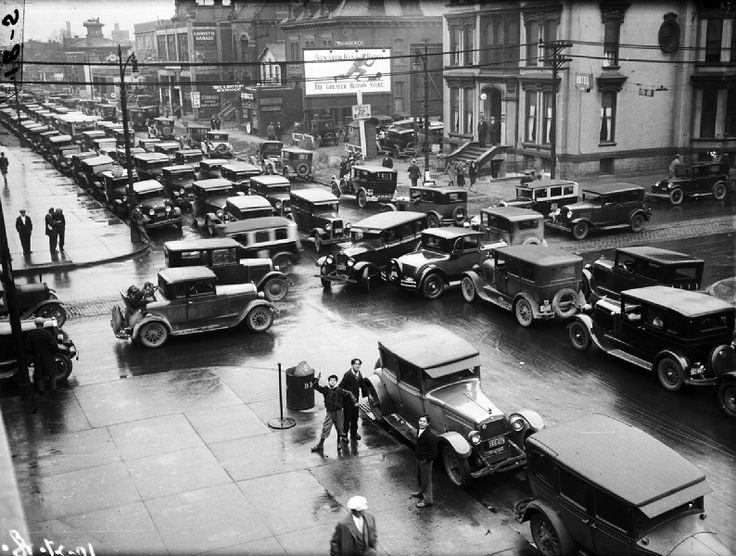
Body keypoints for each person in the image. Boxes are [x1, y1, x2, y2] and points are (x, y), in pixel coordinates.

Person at [311, 373, 356, 453]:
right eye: (331, 380)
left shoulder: (339, 390)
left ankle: (339, 442)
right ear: (328, 382)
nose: (332, 382)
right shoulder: (325, 389)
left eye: (334, 380)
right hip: (330, 412)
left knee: (339, 427)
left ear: (336, 382)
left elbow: (349, 393)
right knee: (326, 427)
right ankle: (320, 445)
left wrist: (354, 401)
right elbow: (316, 387)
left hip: (338, 412)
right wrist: (317, 379)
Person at [25, 317, 58, 396]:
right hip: (48, 356)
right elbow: (54, 345)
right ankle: (53, 390)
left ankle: (41, 390)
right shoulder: (47, 333)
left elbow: (28, 348)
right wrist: (52, 352)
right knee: (52, 374)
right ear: (43, 324)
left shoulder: (31, 334)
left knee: (40, 375)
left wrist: (34, 353)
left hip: (37, 357)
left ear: (35, 324)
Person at [412, 414, 438, 508]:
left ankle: (428, 500)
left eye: (424, 421)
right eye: (420, 421)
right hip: (418, 458)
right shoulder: (419, 430)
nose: (421, 423)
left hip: (425, 461)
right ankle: (421, 492)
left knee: (426, 480)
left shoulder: (431, 436)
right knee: (420, 477)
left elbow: (434, 451)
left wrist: (426, 460)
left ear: (427, 424)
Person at [339, 358, 367, 441]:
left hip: (356, 400)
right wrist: (345, 395)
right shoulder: (347, 375)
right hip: (347, 400)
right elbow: (340, 387)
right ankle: (344, 435)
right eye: (355, 364)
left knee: (355, 417)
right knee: (347, 418)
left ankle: (354, 433)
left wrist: (368, 395)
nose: (357, 366)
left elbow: (362, 385)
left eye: (359, 364)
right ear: (352, 365)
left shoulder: (359, 374)